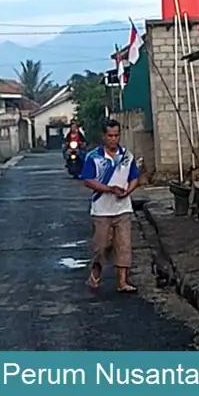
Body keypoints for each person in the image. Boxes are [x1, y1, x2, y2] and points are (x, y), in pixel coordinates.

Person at [80, 119, 140, 293]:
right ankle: (95, 275)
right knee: (101, 246)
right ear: (104, 136)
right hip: (101, 210)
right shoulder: (94, 157)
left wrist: (128, 191)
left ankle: (122, 282)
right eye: (110, 136)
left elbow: (134, 177)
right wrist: (109, 189)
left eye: (116, 135)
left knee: (124, 244)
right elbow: (88, 181)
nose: (114, 139)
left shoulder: (127, 156)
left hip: (123, 208)